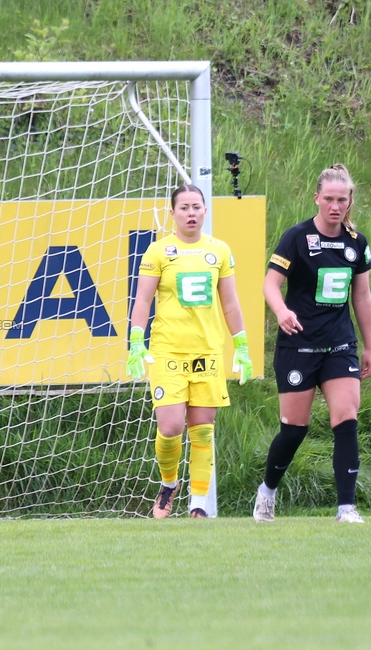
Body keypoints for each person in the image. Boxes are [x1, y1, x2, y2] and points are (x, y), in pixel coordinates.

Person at [254, 164, 371, 524]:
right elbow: (269, 284)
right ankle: (267, 491)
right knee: (294, 429)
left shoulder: (357, 243)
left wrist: (369, 346)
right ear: (316, 199)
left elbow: (363, 297)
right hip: (298, 346)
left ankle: (346, 508)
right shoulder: (297, 237)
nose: (335, 206)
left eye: (342, 199)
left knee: (346, 418)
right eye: (328, 199)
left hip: (339, 345)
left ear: (350, 200)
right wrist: (280, 312)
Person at [128, 184, 253, 519]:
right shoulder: (158, 252)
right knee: (170, 427)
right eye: (183, 207)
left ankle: (198, 503)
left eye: (196, 206)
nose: (191, 213)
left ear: (205, 211)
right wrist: (135, 342)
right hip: (168, 351)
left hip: (207, 352)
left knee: (202, 427)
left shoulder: (220, 251)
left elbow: (230, 303)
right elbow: (142, 300)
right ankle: (169, 483)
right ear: (173, 214)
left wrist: (241, 345)